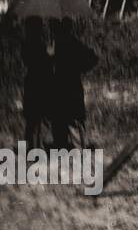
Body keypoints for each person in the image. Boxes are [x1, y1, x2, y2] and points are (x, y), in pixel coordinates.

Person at [22, 16, 97, 148]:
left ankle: (45, 149)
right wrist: (79, 68)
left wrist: (50, 58)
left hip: (58, 88)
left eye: (53, 26)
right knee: (70, 121)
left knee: (56, 120)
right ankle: (73, 150)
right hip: (70, 88)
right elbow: (92, 58)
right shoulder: (71, 43)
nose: (50, 28)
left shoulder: (58, 44)